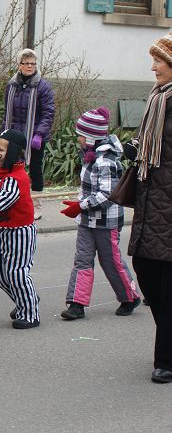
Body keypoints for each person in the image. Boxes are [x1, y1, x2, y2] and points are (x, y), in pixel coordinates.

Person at [60, 107, 140, 321]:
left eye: (81, 135)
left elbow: (108, 195)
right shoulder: (90, 157)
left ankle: (129, 296)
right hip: (87, 221)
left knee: (110, 261)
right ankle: (76, 304)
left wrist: (81, 205)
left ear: (91, 137)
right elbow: (87, 190)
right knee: (82, 261)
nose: (78, 138)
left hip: (106, 223)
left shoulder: (106, 162)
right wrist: (79, 205)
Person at [127, 32, 172, 384]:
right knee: (145, 272)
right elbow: (151, 149)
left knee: (166, 287)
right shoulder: (156, 100)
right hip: (150, 205)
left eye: (160, 60)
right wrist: (135, 150)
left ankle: (166, 360)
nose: (154, 65)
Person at [0, 129, 41, 330]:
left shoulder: (16, 178)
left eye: (2, 150)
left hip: (20, 232)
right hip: (6, 231)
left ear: (13, 152)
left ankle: (30, 313)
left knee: (17, 273)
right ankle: (26, 299)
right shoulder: (3, 174)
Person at [3, 48, 56, 220]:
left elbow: (48, 112)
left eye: (33, 63)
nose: (30, 66)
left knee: (35, 170)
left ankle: (36, 205)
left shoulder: (43, 86)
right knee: (12, 168)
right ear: (19, 65)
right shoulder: (11, 85)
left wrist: (39, 134)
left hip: (35, 137)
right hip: (15, 135)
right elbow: (7, 111)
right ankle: (12, 202)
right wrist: (4, 132)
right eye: (26, 63)